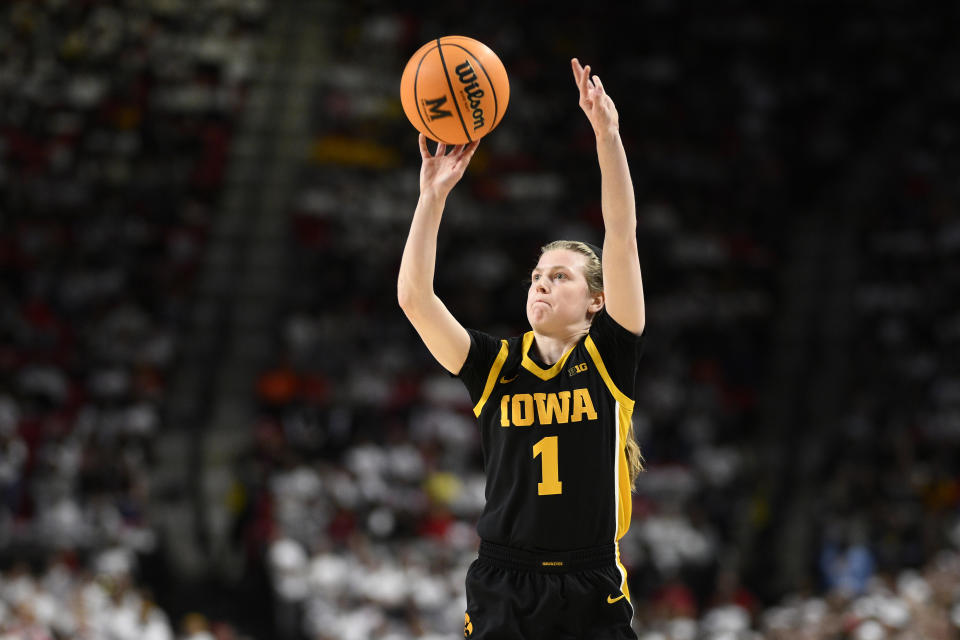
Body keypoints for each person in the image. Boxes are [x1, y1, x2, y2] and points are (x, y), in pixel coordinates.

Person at [398, 58, 646, 640]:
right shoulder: (494, 366)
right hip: (506, 581)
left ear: (594, 301)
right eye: (538, 274)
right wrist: (431, 198)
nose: (541, 283)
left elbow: (622, 232)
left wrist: (607, 136)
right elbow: (414, 297)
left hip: (591, 580)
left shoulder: (609, 358)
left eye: (560, 276)